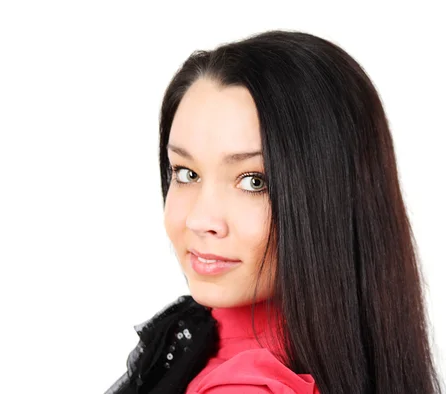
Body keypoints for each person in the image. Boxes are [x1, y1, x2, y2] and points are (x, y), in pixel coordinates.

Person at [104, 30, 442, 394]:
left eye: (253, 182)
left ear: (331, 199)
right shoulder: (207, 336)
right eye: (187, 174)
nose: (200, 219)